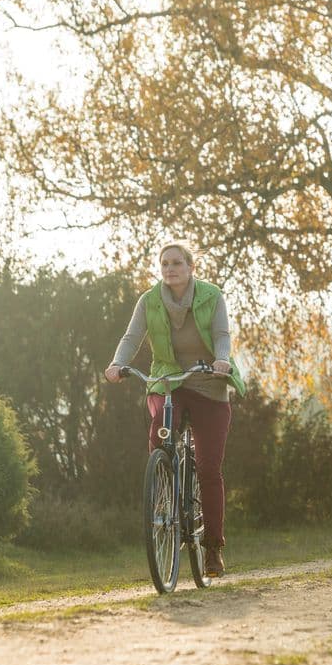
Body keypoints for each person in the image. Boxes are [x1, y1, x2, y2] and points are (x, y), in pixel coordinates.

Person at [105, 244, 246, 577]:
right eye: (165, 263)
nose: (170, 269)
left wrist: (221, 360)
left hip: (208, 382)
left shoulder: (212, 296)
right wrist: (117, 363)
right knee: (159, 427)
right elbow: (132, 337)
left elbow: (222, 334)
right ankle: (165, 483)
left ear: (190, 266)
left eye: (177, 263)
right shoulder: (149, 300)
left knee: (210, 468)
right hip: (168, 380)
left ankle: (212, 548)